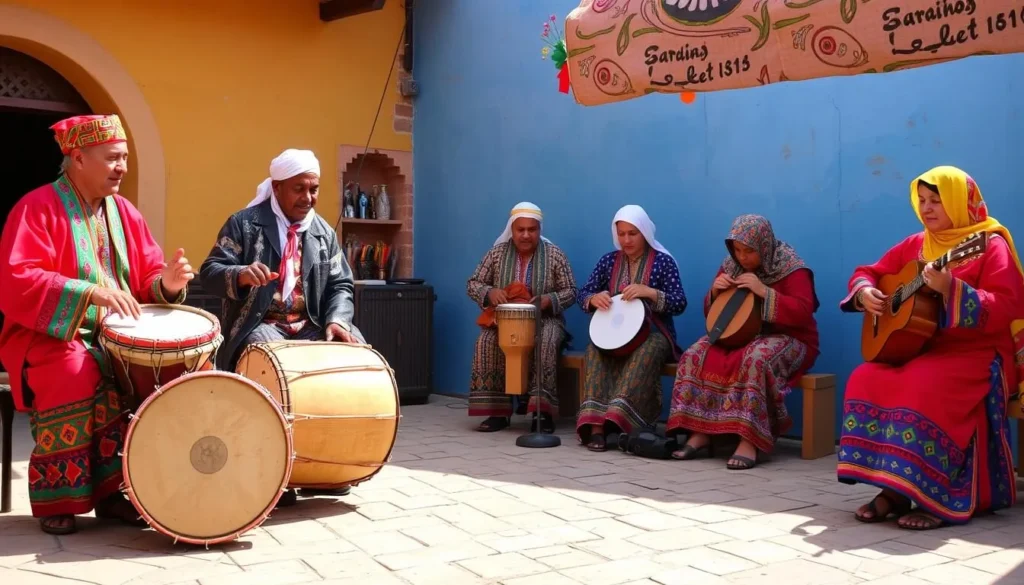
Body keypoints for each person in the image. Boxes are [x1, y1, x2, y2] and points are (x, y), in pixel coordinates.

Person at [0, 114, 194, 534]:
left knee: (142, 371)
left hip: (111, 335)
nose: (121, 167)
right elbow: (18, 278)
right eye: (112, 158)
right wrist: (87, 292)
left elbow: (145, 279)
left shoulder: (125, 212)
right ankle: (59, 496)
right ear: (78, 158)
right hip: (50, 334)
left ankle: (116, 493)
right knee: (78, 369)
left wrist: (168, 283)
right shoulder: (36, 208)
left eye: (124, 158)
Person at [837, 166, 1023, 531]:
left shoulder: (989, 244)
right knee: (866, 376)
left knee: (923, 385)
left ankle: (937, 496)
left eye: (936, 201)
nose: (927, 208)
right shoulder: (916, 244)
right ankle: (893, 488)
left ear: (958, 202)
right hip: (921, 350)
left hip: (978, 352)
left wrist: (953, 289)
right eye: (921, 201)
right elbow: (869, 271)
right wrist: (864, 292)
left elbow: (1009, 305)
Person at [198, 148, 364, 505]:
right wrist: (240, 274)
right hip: (261, 323)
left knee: (350, 360)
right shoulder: (244, 223)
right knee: (268, 361)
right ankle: (274, 470)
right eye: (299, 189)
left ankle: (326, 466)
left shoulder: (322, 232)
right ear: (276, 188)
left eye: (314, 188)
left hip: (312, 324)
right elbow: (210, 271)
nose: (308, 197)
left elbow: (341, 285)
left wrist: (336, 321)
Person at [667, 214, 819, 470]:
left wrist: (764, 291)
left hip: (791, 337)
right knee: (695, 353)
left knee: (755, 359)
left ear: (764, 246)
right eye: (737, 250)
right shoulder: (732, 265)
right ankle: (700, 432)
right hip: (738, 335)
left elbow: (804, 312)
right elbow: (714, 315)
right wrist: (715, 291)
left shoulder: (792, 266)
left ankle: (750, 439)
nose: (742, 257)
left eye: (749, 251)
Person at [575, 205, 686, 451]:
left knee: (645, 352)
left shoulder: (663, 262)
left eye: (632, 234)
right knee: (594, 351)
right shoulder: (608, 261)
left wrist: (651, 293)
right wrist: (593, 299)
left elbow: (680, 302)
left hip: (655, 333)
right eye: (622, 234)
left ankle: (619, 420)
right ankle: (596, 426)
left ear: (644, 232)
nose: (626, 240)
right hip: (613, 335)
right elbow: (583, 293)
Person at [466, 202, 577, 433]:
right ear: (512, 230)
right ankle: (496, 412)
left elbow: (571, 291)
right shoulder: (496, 254)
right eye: (521, 229)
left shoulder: (555, 255)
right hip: (504, 321)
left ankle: (541, 412)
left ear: (539, 230)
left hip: (543, 320)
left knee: (546, 341)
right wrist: (490, 292)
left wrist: (548, 300)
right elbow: (473, 283)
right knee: (486, 342)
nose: (526, 235)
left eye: (532, 229)